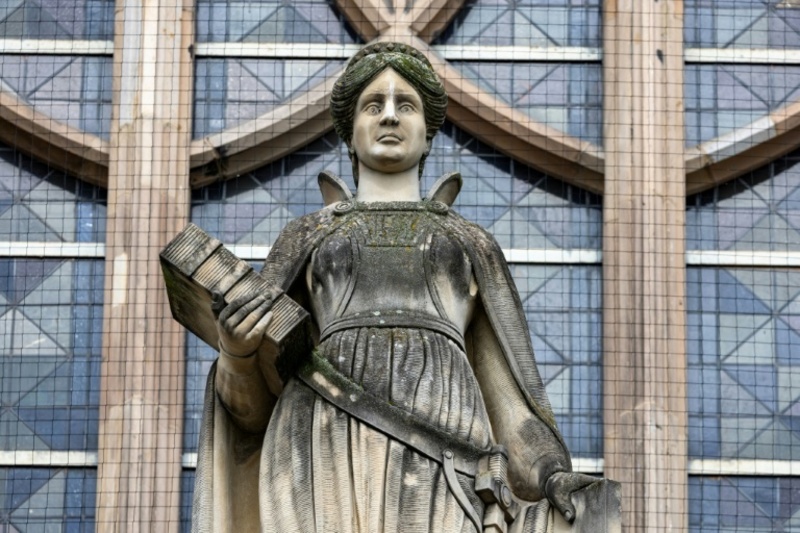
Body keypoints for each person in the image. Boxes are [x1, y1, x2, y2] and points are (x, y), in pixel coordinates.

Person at [192, 41, 598, 533]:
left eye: (405, 105)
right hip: (320, 435)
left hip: (445, 444)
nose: (389, 116)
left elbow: (507, 397)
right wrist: (236, 353)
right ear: (350, 133)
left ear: (427, 135)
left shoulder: (469, 242)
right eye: (373, 105)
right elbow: (251, 412)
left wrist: (553, 474)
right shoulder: (307, 235)